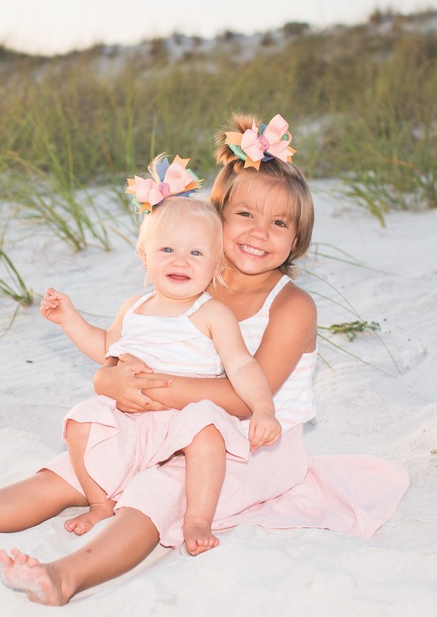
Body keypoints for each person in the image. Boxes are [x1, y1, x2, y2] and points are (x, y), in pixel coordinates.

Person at [0, 113, 409, 607]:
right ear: (214, 219)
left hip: (255, 442)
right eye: (244, 216)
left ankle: (67, 575)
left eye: (279, 223)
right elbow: (122, 348)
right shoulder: (187, 284)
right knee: (72, 466)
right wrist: (109, 378)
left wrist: (146, 386)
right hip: (174, 421)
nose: (260, 233)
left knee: (160, 489)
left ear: (297, 237)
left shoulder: (291, 307)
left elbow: (241, 396)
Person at [41, 158, 281, 555]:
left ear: (217, 264)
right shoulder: (134, 307)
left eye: (196, 253)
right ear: (144, 255)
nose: (179, 261)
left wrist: (263, 409)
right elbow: (107, 351)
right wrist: (70, 320)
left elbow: (241, 365)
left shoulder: (211, 313)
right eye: (166, 249)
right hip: (134, 419)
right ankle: (101, 503)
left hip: (184, 421)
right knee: (82, 421)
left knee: (207, 432)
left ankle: (197, 518)